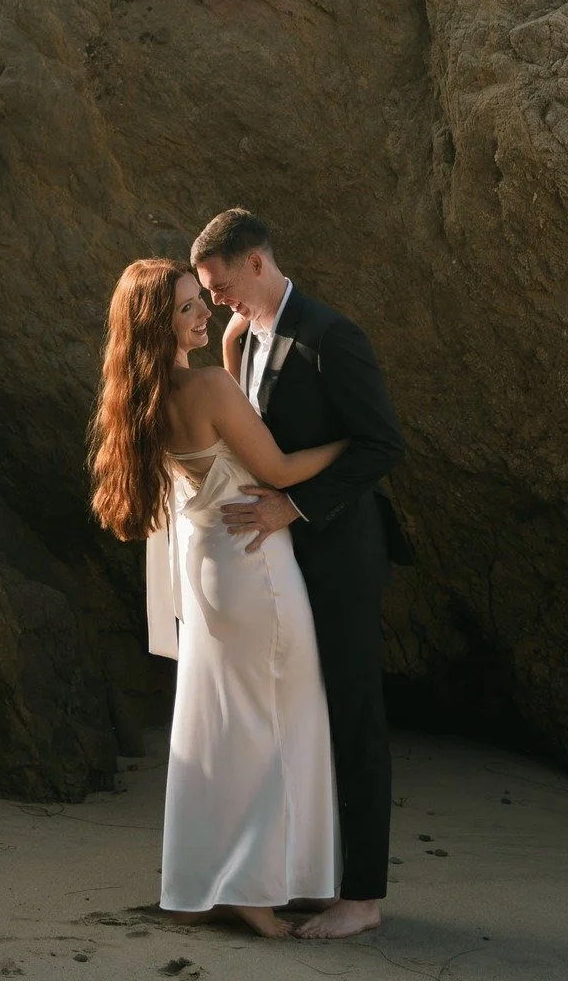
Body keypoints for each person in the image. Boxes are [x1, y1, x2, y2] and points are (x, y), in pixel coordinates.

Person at [88, 257, 348, 939]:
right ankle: (255, 889)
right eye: (186, 308)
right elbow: (280, 469)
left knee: (220, 725)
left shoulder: (148, 396)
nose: (204, 312)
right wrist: (354, 442)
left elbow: (218, 445)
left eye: (200, 300)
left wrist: (230, 347)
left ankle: (216, 879)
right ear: (159, 327)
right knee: (274, 719)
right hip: (255, 566)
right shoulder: (207, 389)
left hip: (208, 572)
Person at [192, 209, 406, 941]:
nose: (215, 298)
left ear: (254, 262)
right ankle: (309, 877)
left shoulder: (330, 336)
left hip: (342, 554)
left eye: (219, 285)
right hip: (282, 567)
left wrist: (295, 505)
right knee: (301, 719)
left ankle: (364, 896)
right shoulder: (241, 336)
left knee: (354, 717)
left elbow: (382, 444)